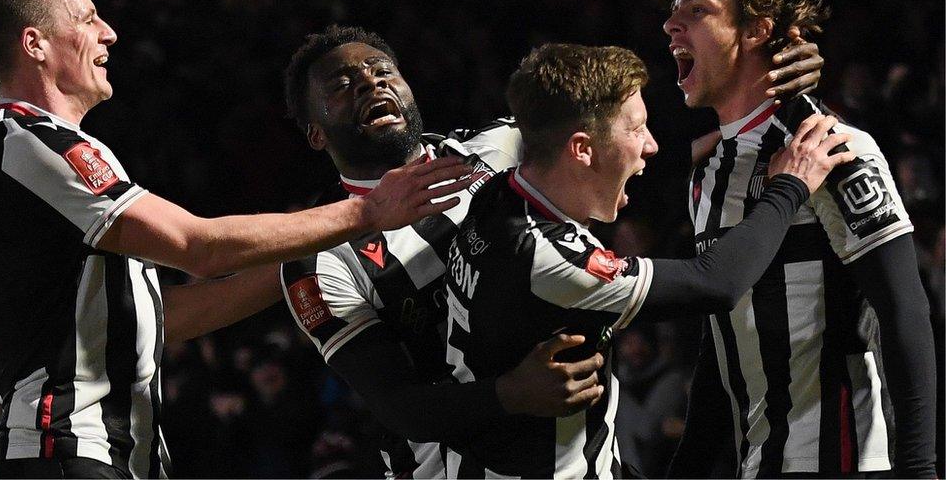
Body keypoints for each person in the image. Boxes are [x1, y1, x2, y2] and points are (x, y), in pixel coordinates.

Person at [0, 0, 472, 479]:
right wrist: (368, 210)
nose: (108, 33)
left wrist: (312, 253)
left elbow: (162, 318)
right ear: (35, 44)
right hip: (63, 452)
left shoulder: (43, 151)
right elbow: (199, 247)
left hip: (111, 456)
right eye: (88, 18)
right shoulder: (32, 147)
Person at [278, 25, 829, 477]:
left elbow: (615, 140)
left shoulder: (491, 149)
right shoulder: (317, 262)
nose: (370, 85)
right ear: (315, 134)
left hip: (581, 452)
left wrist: (758, 77)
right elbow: (400, 407)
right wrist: (510, 394)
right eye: (342, 84)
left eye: (381, 71)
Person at [441, 43, 852, 478]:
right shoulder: (546, 258)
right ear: (581, 150)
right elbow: (716, 283)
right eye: (636, 129)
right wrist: (790, 184)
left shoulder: (498, 178)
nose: (651, 145)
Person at [663, 0, 937, 479]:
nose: (672, 23)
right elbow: (723, 345)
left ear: (757, 29)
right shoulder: (708, 170)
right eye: (674, 9)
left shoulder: (831, 148)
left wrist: (920, 469)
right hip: (759, 465)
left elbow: (905, 315)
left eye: (697, 9)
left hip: (842, 461)